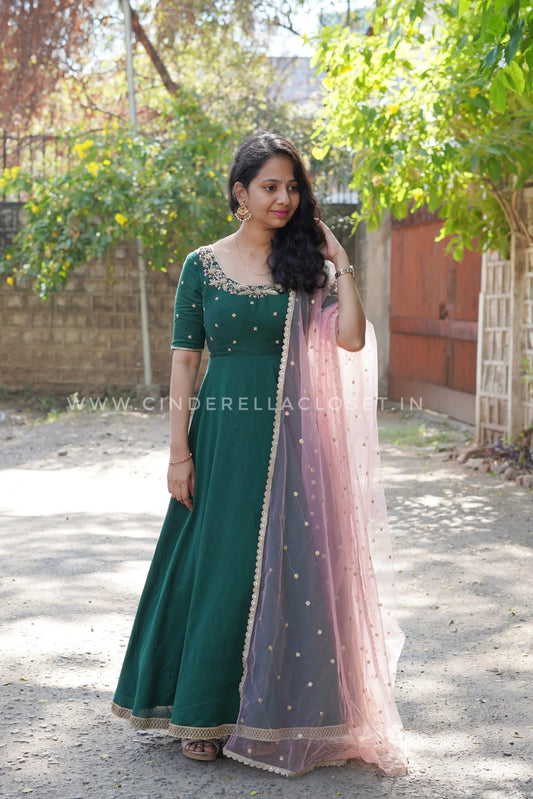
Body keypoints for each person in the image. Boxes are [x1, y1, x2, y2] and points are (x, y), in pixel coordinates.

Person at [112, 132, 407, 777]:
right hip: (223, 434)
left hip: (297, 438)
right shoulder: (202, 265)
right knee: (221, 564)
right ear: (239, 192)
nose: (284, 198)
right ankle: (203, 712)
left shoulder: (304, 267)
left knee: (293, 564)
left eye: (292, 187)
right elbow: (185, 361)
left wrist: (341, 262)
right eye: (270, 186)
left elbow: (352, 340)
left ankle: (284, 713)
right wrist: (178, 453)